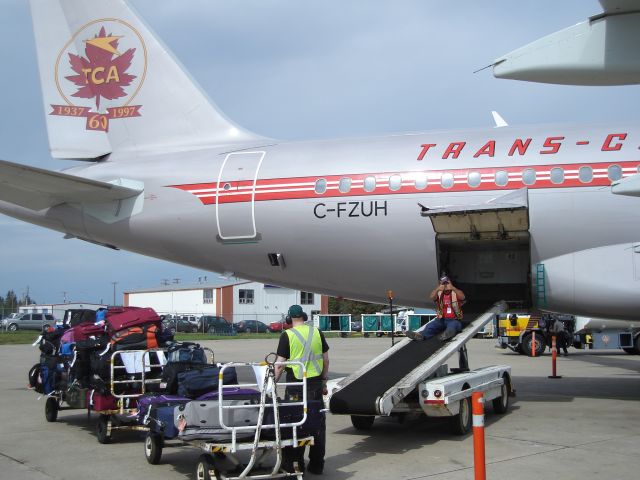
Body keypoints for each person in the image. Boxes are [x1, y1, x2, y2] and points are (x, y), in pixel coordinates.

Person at [275, 304, 330, 475]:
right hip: (314, 384)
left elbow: (279, 365)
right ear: (304, 317)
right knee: (317, 424)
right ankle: (317, 465)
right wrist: (323, 381)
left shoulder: (287, 335)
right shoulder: (317, 332)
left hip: (295, 386)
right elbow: (326, 359)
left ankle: (295, 464)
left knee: (295, 424)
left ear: (289, 319)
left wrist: (272, 383)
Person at [406, 275, 465, 341]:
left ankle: (447, 334)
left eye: (447, 283)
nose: (445, 286)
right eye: (443, 284)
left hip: (454, 319)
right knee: (431, 326)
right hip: (441, 319)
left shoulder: (455, 292)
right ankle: (420, 335)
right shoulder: (439, 293)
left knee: (453, 326)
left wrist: (453, 288)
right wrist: (437, 289)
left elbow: (462, 297)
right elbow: (432, 297)